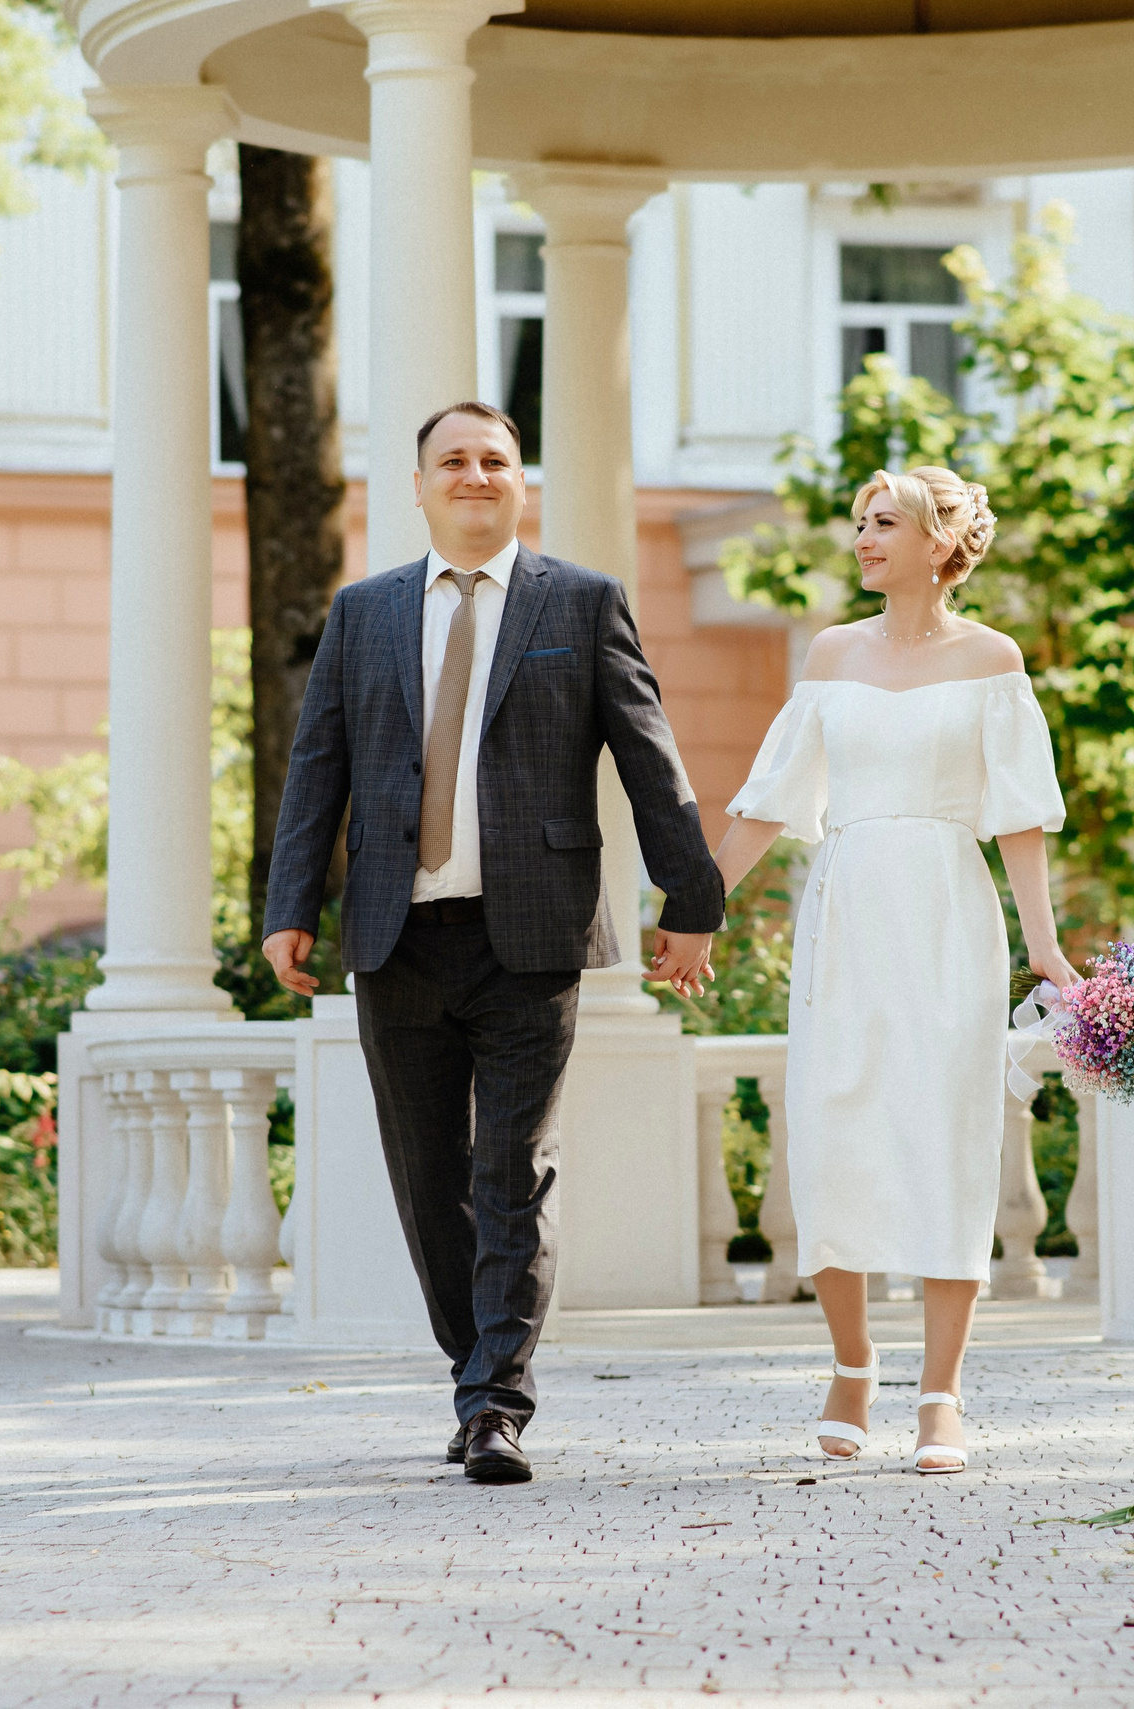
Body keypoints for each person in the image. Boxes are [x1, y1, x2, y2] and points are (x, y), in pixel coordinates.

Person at [260, 401, 724, 1485]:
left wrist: (689, 898)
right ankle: (475, 1370)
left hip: (529, 933)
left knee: (511, 1167)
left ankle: (495, 1402)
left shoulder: (583, 601)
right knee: (430, 1181)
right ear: (418, 484)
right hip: (394, 930)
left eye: (495, 459)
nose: (475, 474)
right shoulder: (363, 612)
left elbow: (649, 760)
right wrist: (291, 904)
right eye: (453, 460)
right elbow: (314, 768)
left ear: (522, 481)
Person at [711, 466, 1076, 1474]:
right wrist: (694, 906)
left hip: (947, 910)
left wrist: (1043, 944)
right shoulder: (831, 653)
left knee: (947, 1135)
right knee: (834, 1127)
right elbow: (771, 796)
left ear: (937, 542)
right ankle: (850, 1368)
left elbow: (1018, 815)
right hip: (847, 910)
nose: (863, 538)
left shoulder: (992, 660)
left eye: (883, 523)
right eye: (859, 522)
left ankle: (940, 1395)